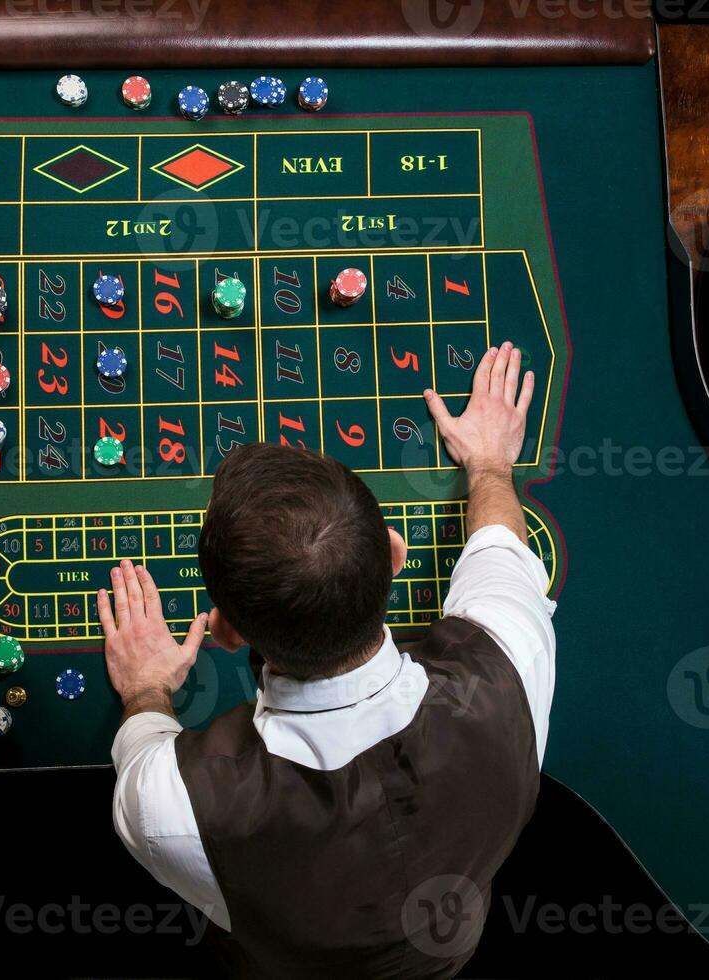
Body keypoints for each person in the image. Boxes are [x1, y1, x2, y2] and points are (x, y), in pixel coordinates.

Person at [98, 342, 555, 977]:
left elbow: (142, 752)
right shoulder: (513, 669)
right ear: (394, 555)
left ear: (227, 630)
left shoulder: (173, 806)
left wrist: (147, 691)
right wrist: (489, 465)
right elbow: (499, 542)